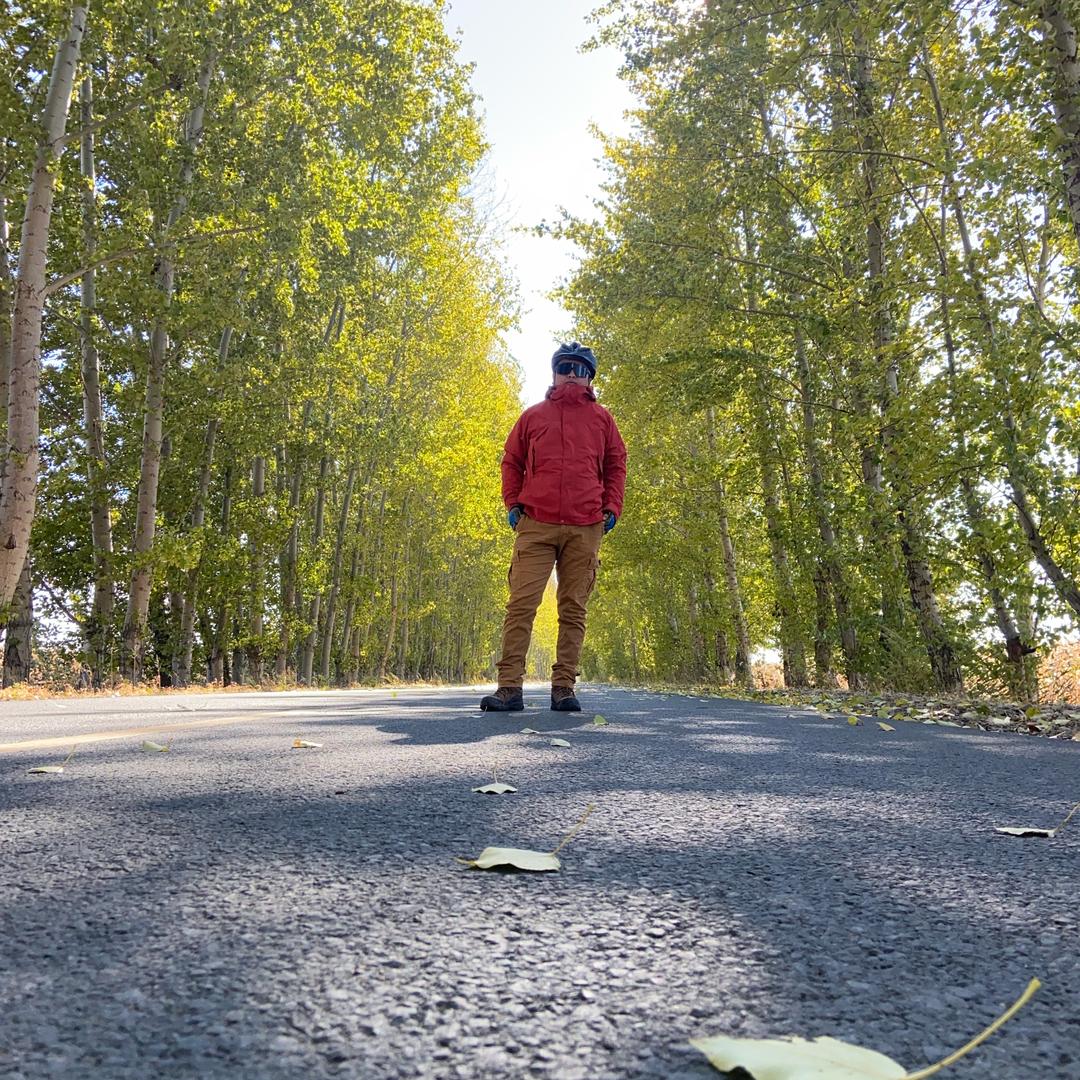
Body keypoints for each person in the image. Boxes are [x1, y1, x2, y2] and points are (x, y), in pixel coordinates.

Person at [480, 342, 627, 713]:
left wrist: (612, 507)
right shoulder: (533, 416)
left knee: (573, 609)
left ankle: (564, 688)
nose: (572, 375)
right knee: (520, 606)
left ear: (590, 376)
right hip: (536, 523)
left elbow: (616, 465)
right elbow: (511, 461)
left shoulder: (603, 420)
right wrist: (513, 503)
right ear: (554, 372)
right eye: (565, 368)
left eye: (579, 369)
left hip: (586, 524)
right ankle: (509, 688)